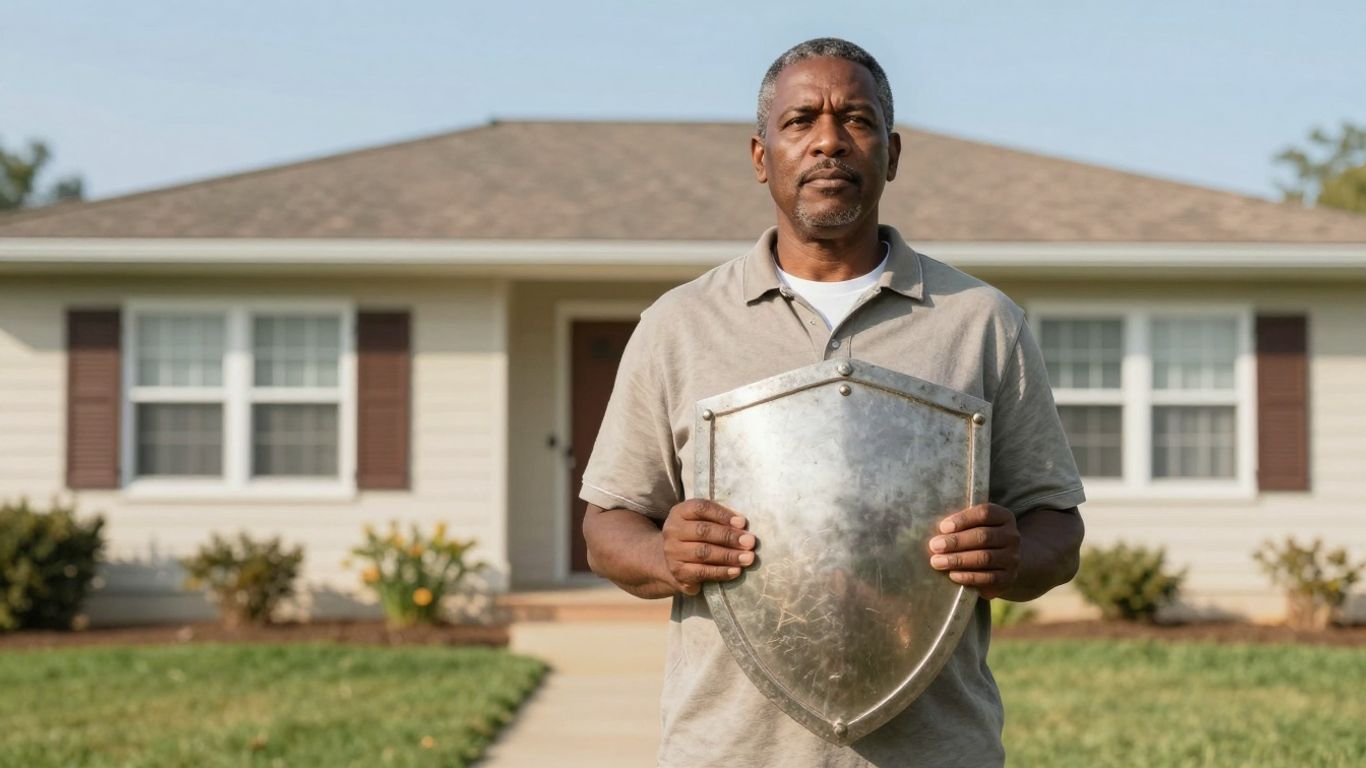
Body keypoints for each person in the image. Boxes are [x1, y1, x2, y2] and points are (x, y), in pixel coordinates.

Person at [579, 37, 1086, 768]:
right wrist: (664, 551)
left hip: (934, 750)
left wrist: (1015, 554)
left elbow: (1057, 525)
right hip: (730, 751)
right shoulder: (680, 325)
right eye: (800, 121)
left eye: (855, 119)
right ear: (761, 157)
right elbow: (606, 523)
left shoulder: (980, 321)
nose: (828, 141)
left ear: (892, 151)